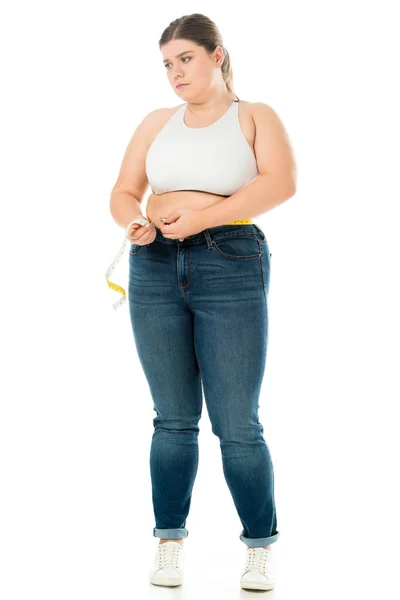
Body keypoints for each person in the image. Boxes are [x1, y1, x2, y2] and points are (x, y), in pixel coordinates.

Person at [109, 13, 296, 591]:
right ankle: (169, 546)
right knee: (172, 419)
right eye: (167, 64)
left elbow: (280, 183)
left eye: (185, 58)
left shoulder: (255, 116)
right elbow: (122, 192)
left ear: (218, 56)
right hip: (155, 266)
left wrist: (200, 219)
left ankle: (258, 549)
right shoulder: (156, 123)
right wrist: (138, 223)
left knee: (237, 423)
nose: (175, 73)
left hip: (231, 259)